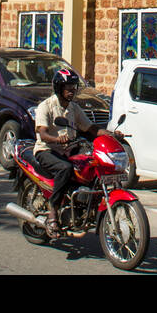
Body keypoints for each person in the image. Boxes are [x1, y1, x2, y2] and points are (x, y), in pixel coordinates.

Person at [33, 68, 103, 238]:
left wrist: (111, 134)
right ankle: (53, 213)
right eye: (68, 87)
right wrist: (57, 140)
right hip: (47, 150)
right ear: (59, 88)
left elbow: (90, 128)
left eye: (74, 87)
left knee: (91, 164)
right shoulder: (46, 106)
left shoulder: (74, 108)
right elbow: (42, 133)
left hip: (68, 150)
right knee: (65, 168)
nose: (72, 91)